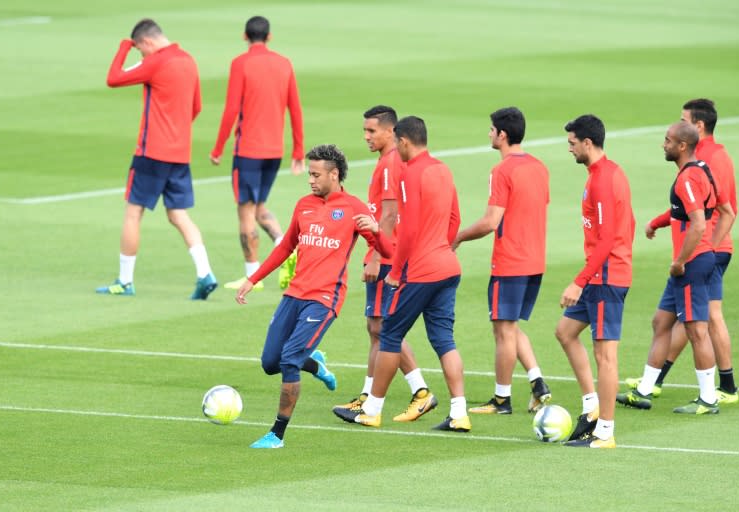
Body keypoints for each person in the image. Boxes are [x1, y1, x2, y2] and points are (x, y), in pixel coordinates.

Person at [236, 144, 394, 449]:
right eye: (309, 173)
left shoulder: (354, 208)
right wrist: (253, 279)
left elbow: (387, 252)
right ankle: (316, 365)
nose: (310, 179)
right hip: (294, 294)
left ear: (334, 175)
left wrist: (376, 230)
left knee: (289, 360)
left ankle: (277, 434)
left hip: (324, 299)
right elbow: (285, 247)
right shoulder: (304, 205)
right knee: (271, 362)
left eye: (315, 174)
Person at [334, 116, 471, 432]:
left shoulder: (410, 173)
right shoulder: (442, 169)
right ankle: (460, 413)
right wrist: (443, 249)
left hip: (422, 271)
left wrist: (395, 270)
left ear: (405, 141)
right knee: (443, 339)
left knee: (389, 334)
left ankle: (372, 408)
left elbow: (406, 228)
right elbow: (455, 218)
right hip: (448, 266)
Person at [625, 99, 739, 403]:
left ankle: (711, 396)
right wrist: (659, 223)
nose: (663, 145)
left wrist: (696, 254)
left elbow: (701, 219)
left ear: (687, 139)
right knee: (663, 322)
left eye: (668, 139)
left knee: (699, 326)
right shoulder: (703, 164)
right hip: (699, 255)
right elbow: (720, 208)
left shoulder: (699, 166)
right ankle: (646, 389)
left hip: (694, 259)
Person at [98, 18, 217, 300]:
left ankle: (125, 281)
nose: (142, 56)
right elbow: (196, 106)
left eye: (141, 50)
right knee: (178, 214)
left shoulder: (156, 62)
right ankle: (205, 272)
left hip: (151, 153)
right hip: (180, 154)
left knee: (133, 213)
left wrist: (124, 47)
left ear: (147, 43)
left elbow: (113, 78)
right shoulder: (188, 60)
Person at [452, 107, 552, 415]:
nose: (489, 134)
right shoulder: (539, 167)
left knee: (503, 330)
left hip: (511, 261)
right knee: (510, 327)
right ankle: (538, 384)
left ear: (502, 134)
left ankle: (501, 399)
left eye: (491, 129)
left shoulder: (502, 171)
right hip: (535, 259)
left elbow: (490, 221)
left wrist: (457, 237)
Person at [555, 114, 635, 448]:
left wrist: (579, 281)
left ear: (588, 143)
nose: (569, 148)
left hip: (605, 276)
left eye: (572, 143)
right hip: (602, 273)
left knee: (605, 356)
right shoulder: (609, 172)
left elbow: (606, 240)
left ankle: (605, 431)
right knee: (565, 332)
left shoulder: (603, 180)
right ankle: (591, 407)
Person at [210, 15, 304, 292]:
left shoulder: (241, 63)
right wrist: (298, 149)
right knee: (260, 206)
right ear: (270, 36)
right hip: (275, 150)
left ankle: (253, 275)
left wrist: (218, 148)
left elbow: (231, 109)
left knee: (245, 211)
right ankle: (286, 248)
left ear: (245, 36)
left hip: (249, 150)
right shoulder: (284, 63)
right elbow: (295, 108)